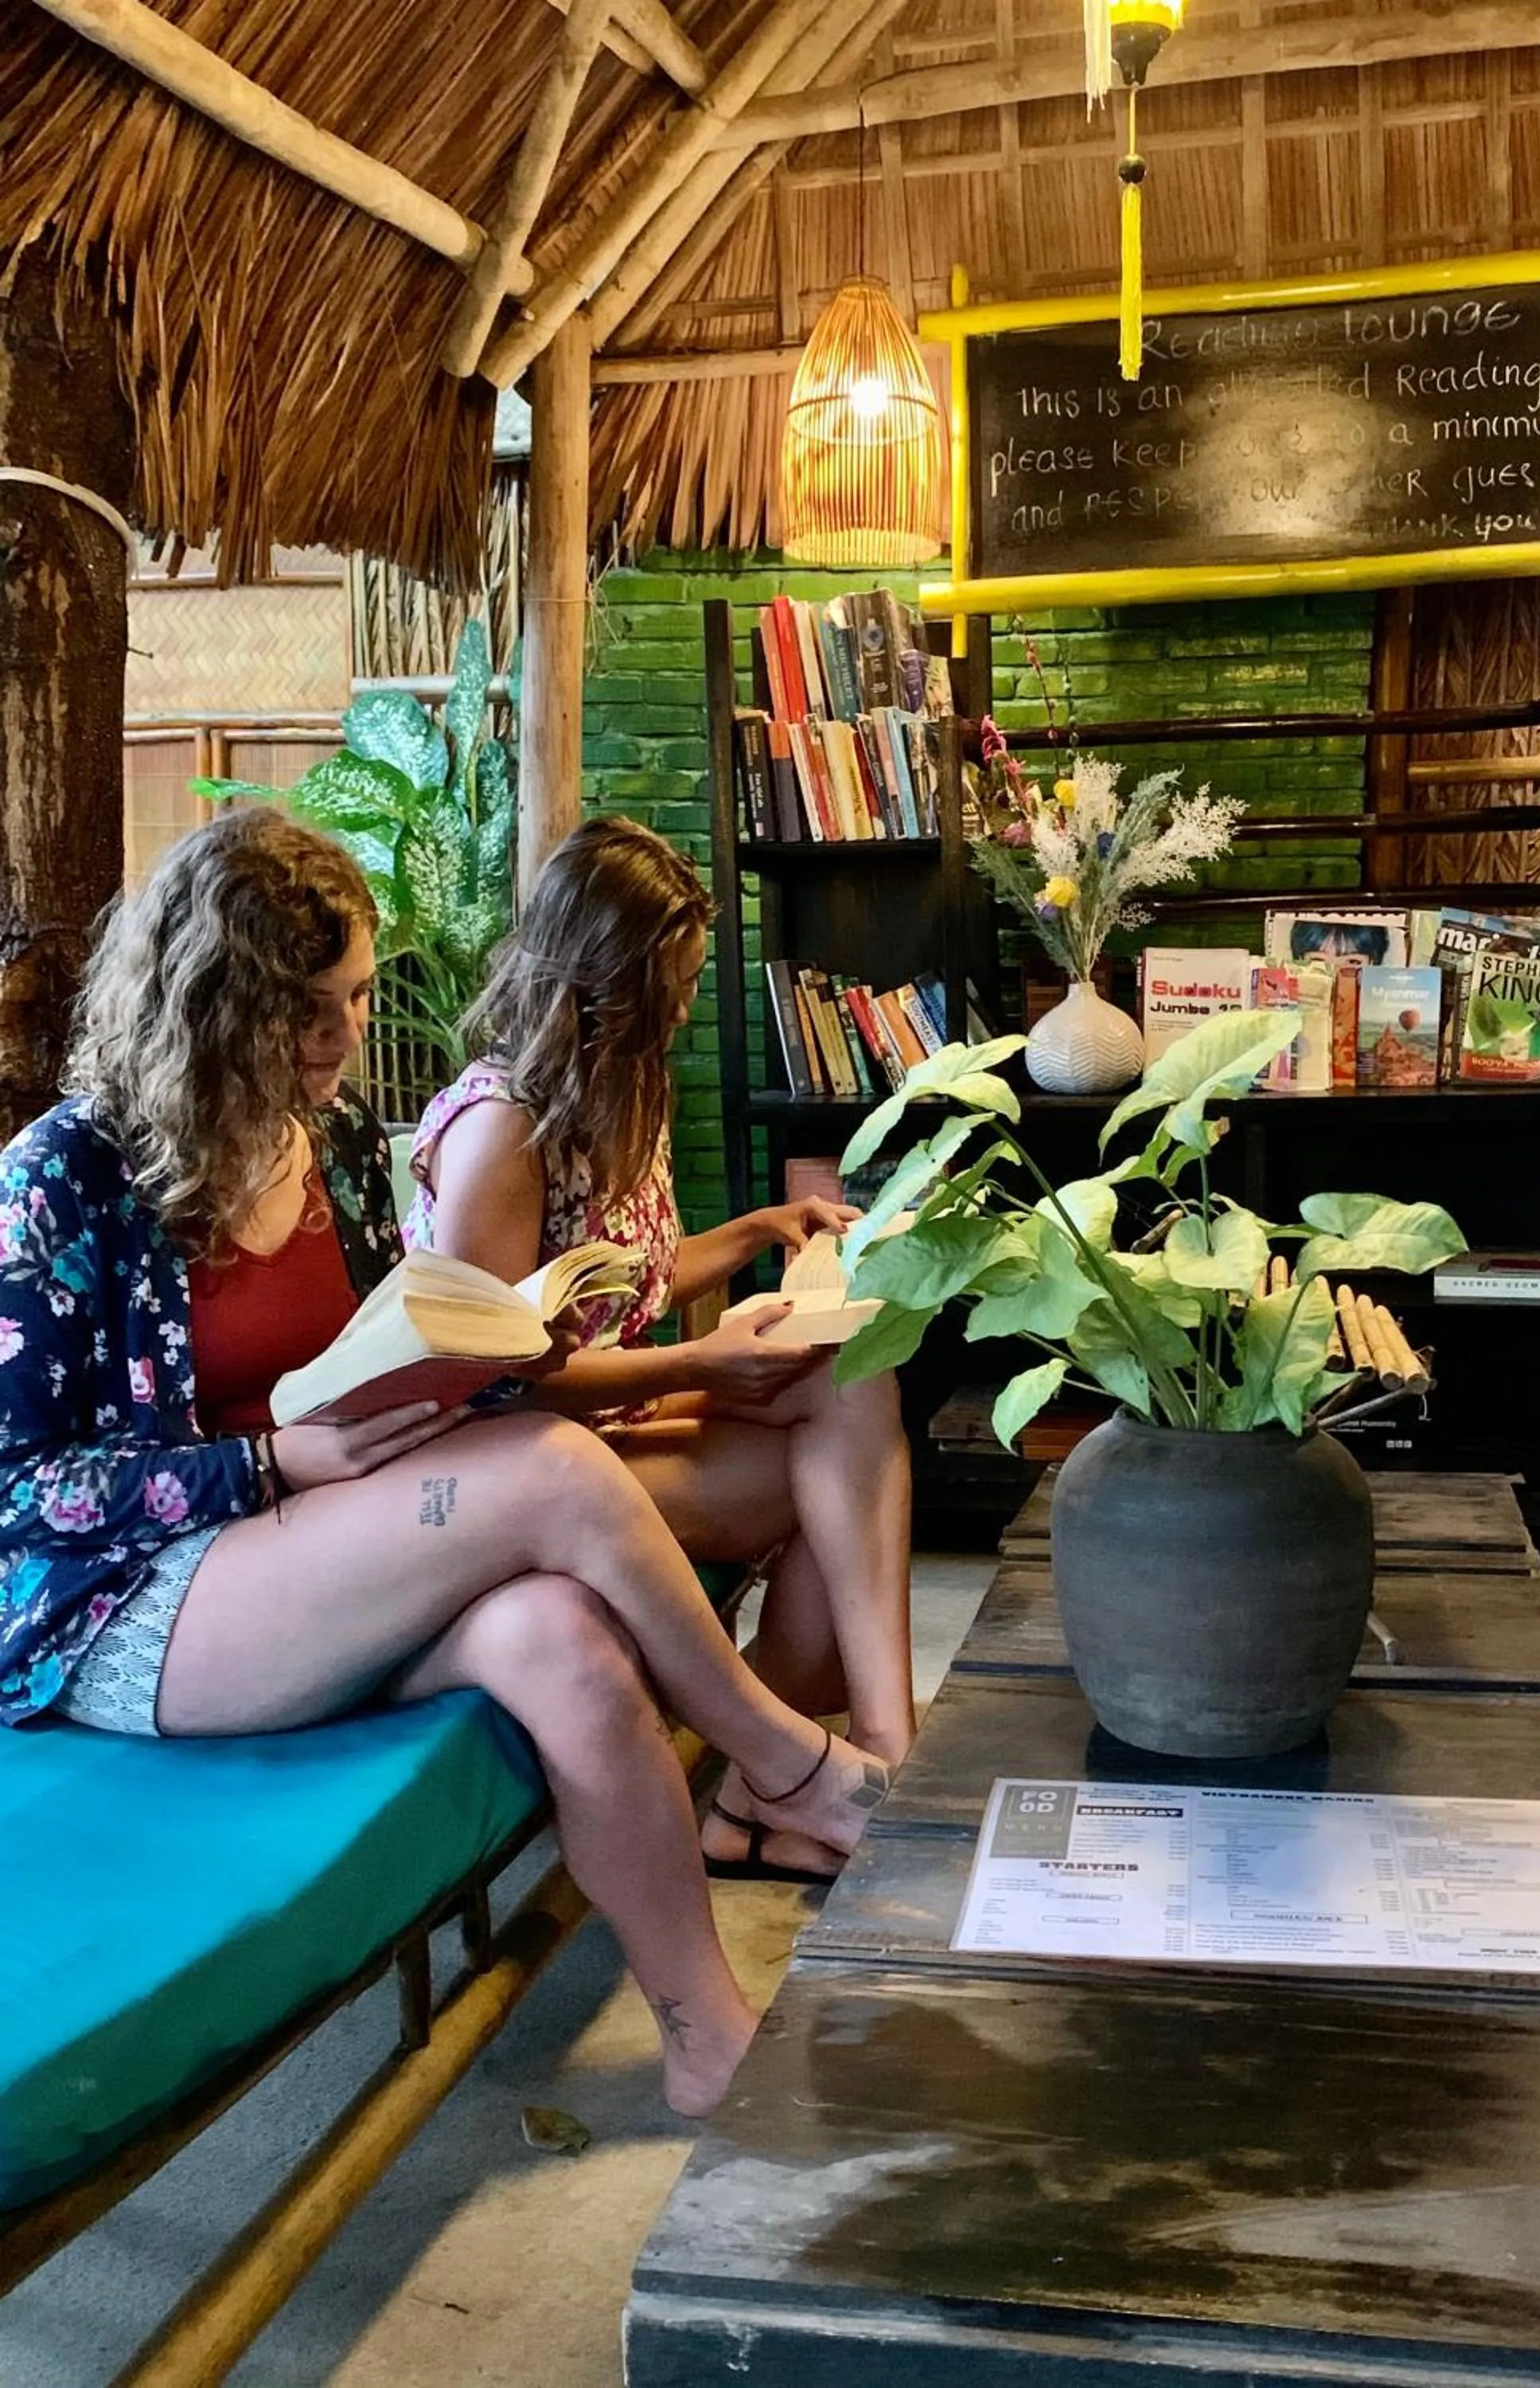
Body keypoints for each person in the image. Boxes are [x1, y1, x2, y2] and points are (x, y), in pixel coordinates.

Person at [0, 809, 891, 2117]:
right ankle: (792, 1763)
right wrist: (268, 1463)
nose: (345, 1039)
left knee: (559, 1639)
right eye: (308, 1016)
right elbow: (21, 1492)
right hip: (134, 1609)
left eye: (356, 1000)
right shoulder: (63, 1177)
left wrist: (484, 1352)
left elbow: (388, 1338)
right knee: (549, 1473)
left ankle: (709, 2038)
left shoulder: (338, 1145)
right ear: (211, 1008)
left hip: (324, 1550)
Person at [407, 818, 915, 1883]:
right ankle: (821, 1777)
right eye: (667, 983)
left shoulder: (615, 1087)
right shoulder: (502, 1130)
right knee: (837, 1486)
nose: (683, 1008)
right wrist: (697, 1367)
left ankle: (838, 1763)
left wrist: (754, 1238)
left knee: (851, 1388)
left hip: (608, 1425)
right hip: (514, 1473)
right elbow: (490, 1380)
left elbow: (611, 1284)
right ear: (597, 980)